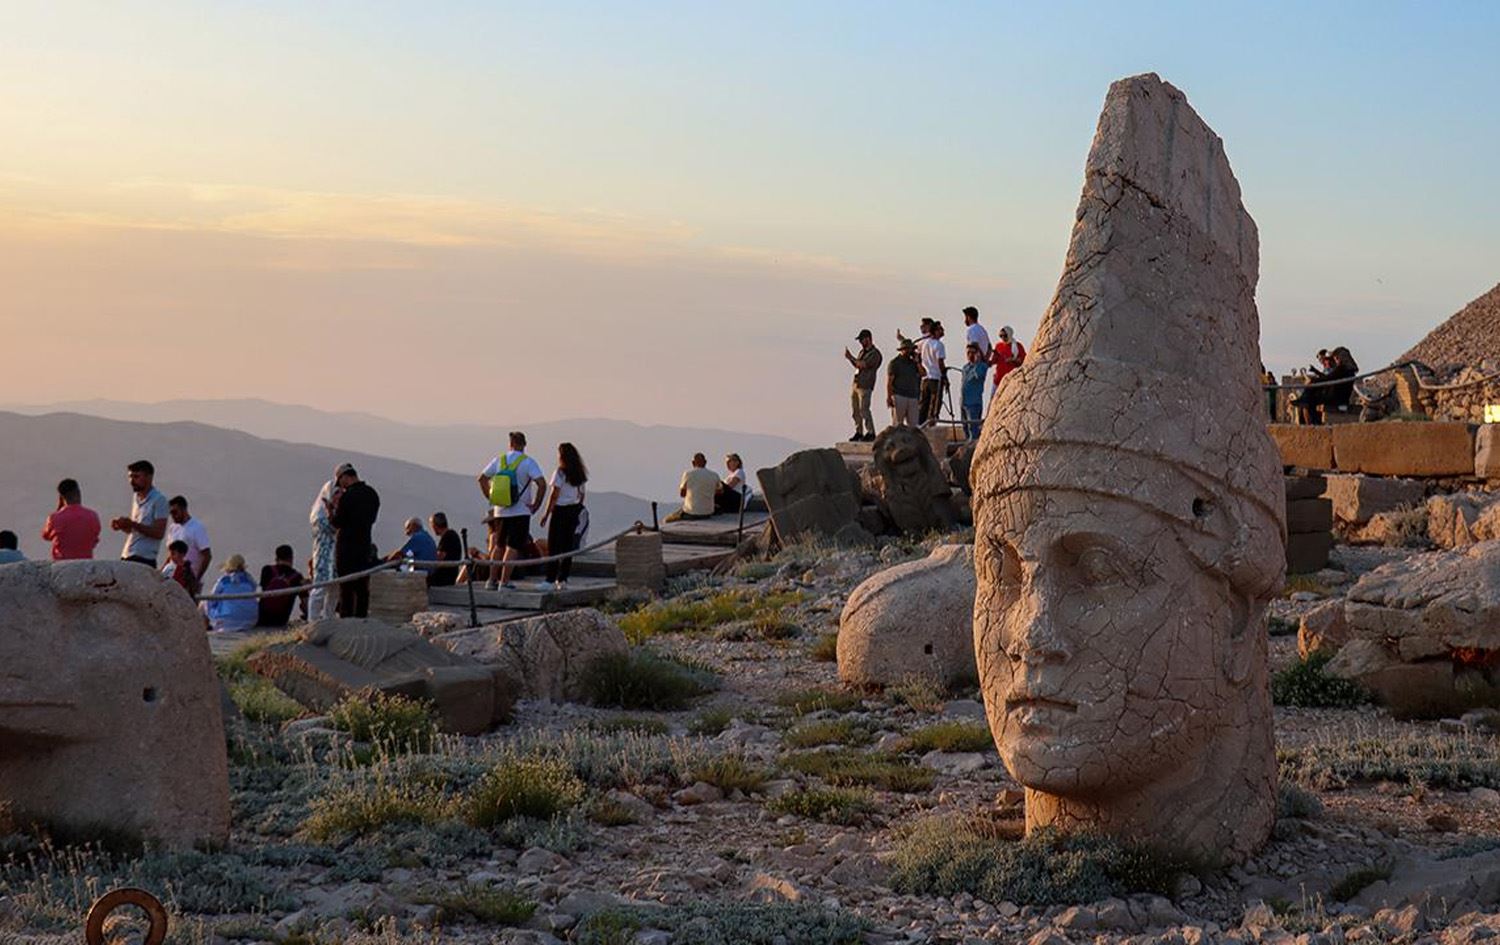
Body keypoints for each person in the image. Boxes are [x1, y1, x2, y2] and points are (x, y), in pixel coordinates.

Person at [477, 431, 545, 590]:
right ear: (524, 444)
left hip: (500, 510)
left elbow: (481, 478)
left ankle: (491, 580)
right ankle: (504, 582)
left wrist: (490, 496)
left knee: (498, 546)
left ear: (510, 444)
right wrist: (536, 505)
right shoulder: (528, 462)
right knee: (513, 547)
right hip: (520, 511)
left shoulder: (499, 460)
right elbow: (541, 484)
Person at [329, 465, 380, 617]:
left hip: (346, 549)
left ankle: (347, 621)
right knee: (362, 588)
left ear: (345, 477)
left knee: (346, 588)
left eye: (340, 482)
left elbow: (338, 522)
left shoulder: (348, 497)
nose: (341, 486)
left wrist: (331, 512)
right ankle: (361, 618)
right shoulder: (372, 494)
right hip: (364, 545)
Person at [540, 442, 588, 590]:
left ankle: (550, 579)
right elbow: (582, 494)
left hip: (560, 510)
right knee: (568, 545)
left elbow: (554, 495)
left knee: (554, 545)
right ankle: (563, 579)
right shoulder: (580, 473)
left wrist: (546, 514)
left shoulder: (560, 472)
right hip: (574, 509)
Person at [110, 460, 169, 566]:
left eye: (136, 477)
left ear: (149, 477)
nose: (132, 481)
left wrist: (132, 524)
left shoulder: (159, 500)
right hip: (128, 555)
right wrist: (123, 525)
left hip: (144, 558)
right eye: (130, 477)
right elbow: (136, 530)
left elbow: (159, 533)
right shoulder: (136, 498)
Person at [307, 470, 341, 620]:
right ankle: (313, 620)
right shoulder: (319, 515)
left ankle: (328, 618)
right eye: (336, 493)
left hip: (335, 555)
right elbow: (331, 528)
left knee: (335, 589)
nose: (339, 496)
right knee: (319, 589)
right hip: (323, 556)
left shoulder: (335, 512)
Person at [41, 478, 100, 560]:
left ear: (61, 497)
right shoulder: (92, 516)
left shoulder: (54, 518)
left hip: (61, 566)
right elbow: (94, 540)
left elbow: (45, 536)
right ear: (78, 492)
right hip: (85, 566)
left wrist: (59, 510)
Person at [166, 496, 212, 595]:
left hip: (190, 579)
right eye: (170, 513)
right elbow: (169, 554)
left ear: (184, 509)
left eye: (175, 512)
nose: (172, 516)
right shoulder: (173, 529)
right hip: (174, 578)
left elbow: (207, 555)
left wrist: (197, 579)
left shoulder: (197, 527)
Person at [843, 329, 883, 442]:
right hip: (857, 383)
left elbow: (863, 365)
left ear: (868, 339)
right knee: (855, 410)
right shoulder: (862, 352)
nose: (861, 342)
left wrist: (851, 357)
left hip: (865, 385)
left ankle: (870, 432)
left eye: (862, 340)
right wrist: (852, 360)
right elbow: (857, 365)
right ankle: (859, 431)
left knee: (864, 409)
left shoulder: (875, 354)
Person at [204, 555, 258, 632]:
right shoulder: (249, 579)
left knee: (204, 603)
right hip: (250, 620)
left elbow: (212, 598)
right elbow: (254, 590)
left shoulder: (224, 580)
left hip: (228, 620)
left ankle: (205, 628)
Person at [258, 544, 308, 628]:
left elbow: (263, 591)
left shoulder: (266, 570)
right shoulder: (297, 577)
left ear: (276, 558)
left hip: (262, 617)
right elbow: (305, 602)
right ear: (291, 558)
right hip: (281, 620)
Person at [917, 321, 949, 427]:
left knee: (924, 404)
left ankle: (921, 425)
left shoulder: (925, 343)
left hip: (925, 378)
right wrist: (945, 377)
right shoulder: (939, 345)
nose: (942, 331)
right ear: (935, 331)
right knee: (934, 405)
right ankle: (931, 425)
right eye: (940, 329)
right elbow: (940, 362)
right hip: (935, 378)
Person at [887, 337, 922, 427]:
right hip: (899, 395)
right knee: (898, 424)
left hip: (913, 396)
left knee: (913, 425)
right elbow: (890, 381)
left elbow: (923, 373)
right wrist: (889, 397)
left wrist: (918, 362)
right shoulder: (895, 363)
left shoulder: (913, 363)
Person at [678, 452, 721, 519]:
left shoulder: (688, 474)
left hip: (690, 512)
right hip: (708, 512)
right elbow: (720, 491)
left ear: (693, 462)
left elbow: (682, 494)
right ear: (705, 462)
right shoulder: (714, 475)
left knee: (669, 518)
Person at [428, 512, 464, 588]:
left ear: (435, 525)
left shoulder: (447, 536)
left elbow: (439, 557)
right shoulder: (452, 535)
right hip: (450, 574)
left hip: (444, 577)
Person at [961, 343, 987, 440]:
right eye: (968, 353)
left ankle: (973, 446)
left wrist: (977, 362)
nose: (970, 355)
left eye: (973, 352)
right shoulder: (966, 367)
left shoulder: (982, 366)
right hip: (964, 402)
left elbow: (978, 375)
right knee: (965, 426)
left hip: (974, 402)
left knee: (973, 427)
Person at [991, 325, 1026, 390]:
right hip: (998, 379)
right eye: (1001, 336)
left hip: (1011, 380)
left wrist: (1013, 360)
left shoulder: (1017, 346)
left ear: (1009, 334)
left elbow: (1024, 361)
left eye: (1005, 335)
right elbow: (994, 361)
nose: (1003, 338)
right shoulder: (998, 346)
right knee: (993, 399)